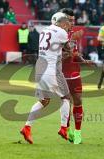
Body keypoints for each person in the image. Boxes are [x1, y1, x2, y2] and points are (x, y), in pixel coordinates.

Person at [20, 12, 71, 144]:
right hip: (51, 70)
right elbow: (69, 49)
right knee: (65, 97)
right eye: (65, 22)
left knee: (44, 100)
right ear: (59, 22)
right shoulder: (61, 32)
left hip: (40, 68)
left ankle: (27, 127)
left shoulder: (43, 30)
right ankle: (63, 128)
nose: (66, 24)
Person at [61, 8, 93, 144]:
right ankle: (67, 131)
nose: (72, 23)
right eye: (70, 20)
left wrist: (83, 60)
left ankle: (78, 133)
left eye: (73, 20)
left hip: (74, 72)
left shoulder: (73, 35)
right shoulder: (56, 35)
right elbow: (56, 57)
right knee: (66, 103)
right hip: (61, 74)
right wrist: (70, 54)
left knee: (78, 101)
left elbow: (75, 53)